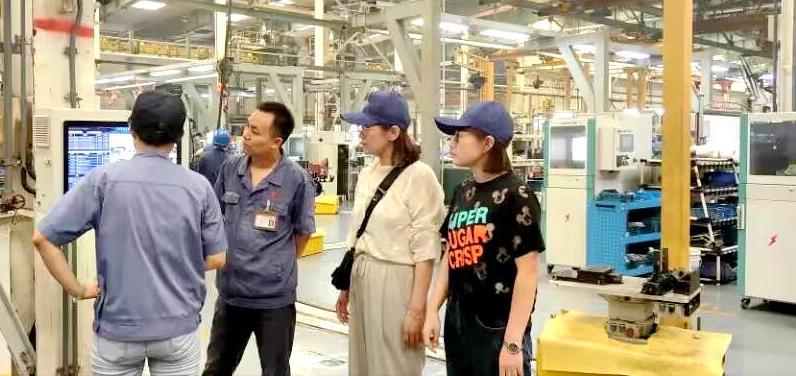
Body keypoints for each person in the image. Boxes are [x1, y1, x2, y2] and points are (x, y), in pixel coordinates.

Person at [33, 91, 228, 375]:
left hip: (117, 331)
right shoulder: (199, 188)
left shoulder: (102, 180)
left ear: (131, 130)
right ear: (179, 137)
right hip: (177, 330)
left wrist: (79, 290)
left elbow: (43, 239)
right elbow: (217, 258)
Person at [422, 101, 545, 376]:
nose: (452, 143)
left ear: (487, 143)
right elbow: (451, 254)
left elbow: (528, 273)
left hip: (497, 326)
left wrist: (512, 344)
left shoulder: (517, 196)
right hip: (459, 321)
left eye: (459, 136)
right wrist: (432, 310)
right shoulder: (462, 191)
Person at [334, 90, 446, 376]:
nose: (360, 134)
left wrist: (416, 310)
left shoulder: (419, 177)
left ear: (393, 132)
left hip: (396, 280)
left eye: (367, 127)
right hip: (362, 274)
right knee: (363, 365)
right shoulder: (368, 173)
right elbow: (357, 235)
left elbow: (426, 250)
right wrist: (346, 288)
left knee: (395, 364)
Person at [203, 102, 316, 376]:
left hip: (274, 301)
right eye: (246, 127)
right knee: (217, 368)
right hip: (231, 296)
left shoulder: (297, 180)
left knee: (275, 370)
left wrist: (277, 265)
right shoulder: (231, 169)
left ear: (277, 142)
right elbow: (215, 215)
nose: (246, 135)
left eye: (255, 131)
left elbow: (303, 232)